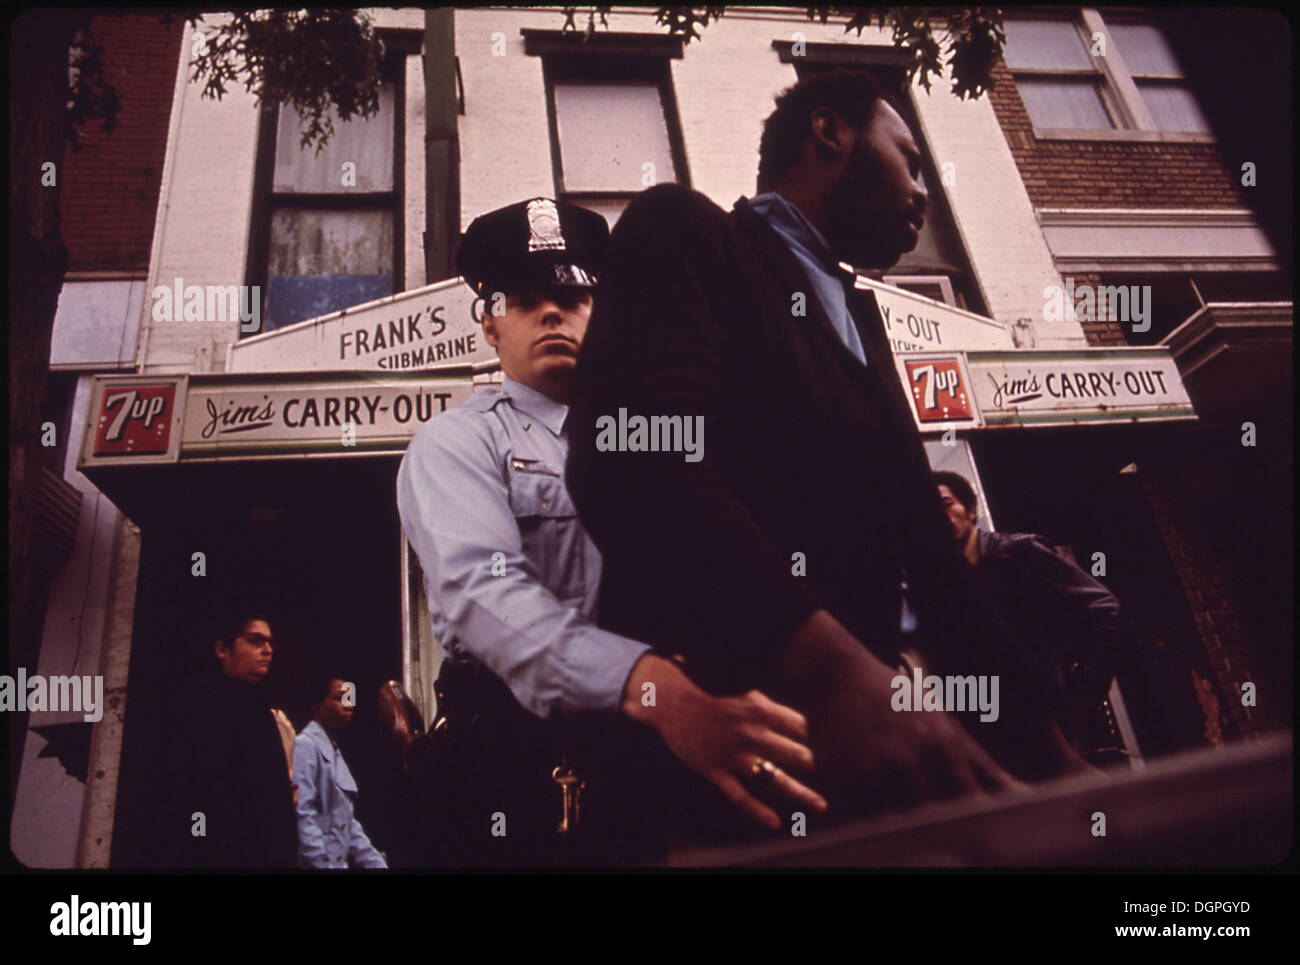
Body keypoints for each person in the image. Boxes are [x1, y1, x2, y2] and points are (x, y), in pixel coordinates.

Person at [565, 69, 1080, 846]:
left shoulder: (862, 319)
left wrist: (1052, 751)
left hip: (871, 792)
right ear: (830, 131)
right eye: (908, 156)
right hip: (724, 796)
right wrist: (838, 677)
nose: (923, 190)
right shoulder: (688, 233)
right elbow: (635, 458)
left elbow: (933, 565)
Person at [395, 198, 825, 865]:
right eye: (525, 298)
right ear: (488, 323)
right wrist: (645, 683)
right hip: (521, 757)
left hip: (675, 741)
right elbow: (479, 589)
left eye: (572, 295)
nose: (550, 312)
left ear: (603, 311)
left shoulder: (663, 434)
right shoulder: (456, 442)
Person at [933, 471, 1125, 751]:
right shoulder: (949, 580)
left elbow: (1105, 608)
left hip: (1053, 716)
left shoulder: (1017, 552)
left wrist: (1082, 691)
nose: (941, 516)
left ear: (971, 510)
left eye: (946, 504)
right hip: (1000, 721)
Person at [165, 614, 298, 869]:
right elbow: (197, 793)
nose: (268, 650)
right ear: (222, 649)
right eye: (255, 641)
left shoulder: (260, 708)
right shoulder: (200, 706)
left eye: (269, 643)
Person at [293, 672, 388, 869]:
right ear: (317, 705)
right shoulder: (306, 746)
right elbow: (302, 815)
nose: (348, 704)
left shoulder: (333, 750)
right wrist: (322, 863)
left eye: (349, 697)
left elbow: (348, 823)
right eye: (338, 698)